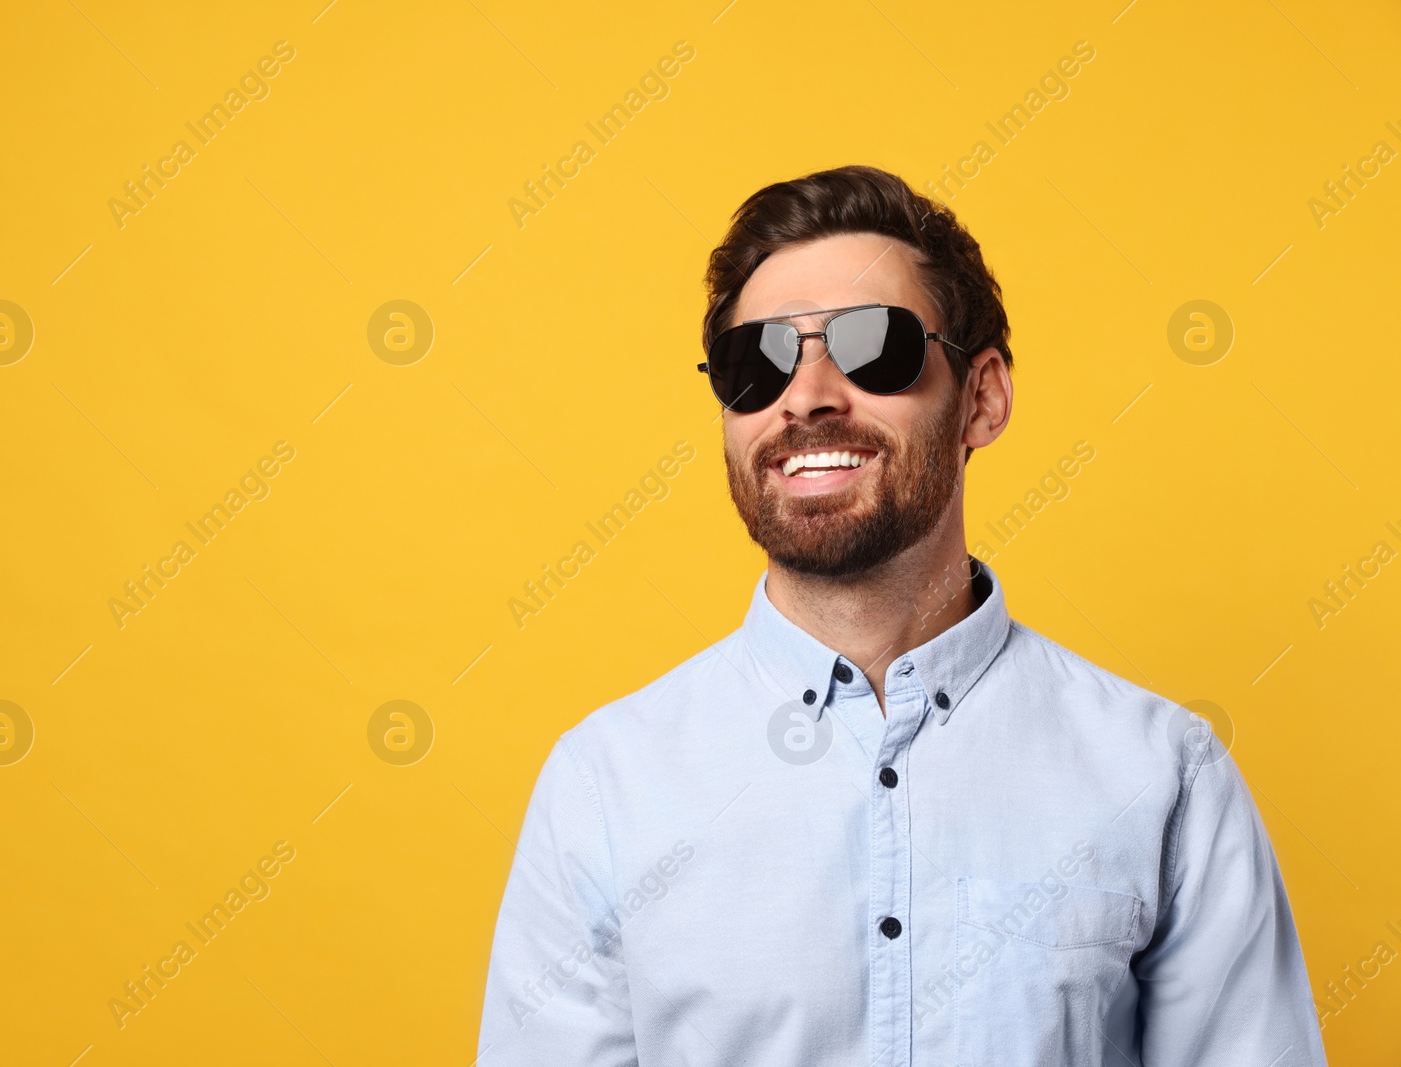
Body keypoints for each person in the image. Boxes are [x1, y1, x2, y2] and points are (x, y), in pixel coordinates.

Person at [476, 164, 1327, 1066]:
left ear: (983, 398)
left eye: (871, 345)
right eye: (755, 362)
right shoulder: (606, 787)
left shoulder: (1165, 776)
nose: (805, 396)